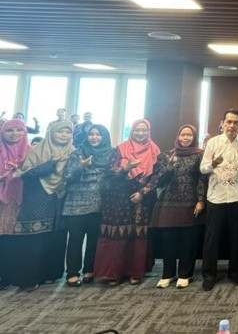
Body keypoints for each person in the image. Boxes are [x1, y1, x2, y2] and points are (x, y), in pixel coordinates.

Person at [2, 121, 75, 290]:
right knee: (34, 236)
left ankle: (50, 274)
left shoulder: (73, 152)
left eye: (67, 132)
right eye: (60, 132)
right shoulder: (37, 151)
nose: (63, 135)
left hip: (60, 197)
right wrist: (50, 164)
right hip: (38, 196)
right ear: (52, 133)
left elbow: (73, 175)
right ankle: (29, 278)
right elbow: (27, 175)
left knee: (56, 236)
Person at [94, 119, 164, 286]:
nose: (140, 133)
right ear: (132, 131)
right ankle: (113, 273)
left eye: (144, 130)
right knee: (118, 233)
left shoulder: (155, 150)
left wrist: (142, 193)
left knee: (137, 234)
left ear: (149, 132)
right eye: (137, 130)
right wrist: (125, 169)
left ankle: (135, 272)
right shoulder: (121, 149)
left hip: (142, 200)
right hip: (118, 199)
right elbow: (109, 171)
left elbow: (158, 177)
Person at [200, 109, 238, 291]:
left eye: (235, 122)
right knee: (212, 239)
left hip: (237, 196)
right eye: (228, 122)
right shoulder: (213, 142)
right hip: (216, 197)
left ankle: (235, 271)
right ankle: (209, 274)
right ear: (222, 123)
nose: (231, 125)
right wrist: (213, 164)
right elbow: (203, 169)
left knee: (236, 237)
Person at [150, 124, 206, 289]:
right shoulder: (168, 155)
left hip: (191, 203)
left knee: (188, 242)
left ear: (194, 137)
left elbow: (202, 179)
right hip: (168, 204)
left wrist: (201, 200)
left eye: (189, 135)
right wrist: (169, 167)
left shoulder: (199, 155)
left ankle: (185, 274)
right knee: (168, 241)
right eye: (183, 134)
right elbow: (159, 182)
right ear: (178, 136)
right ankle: (168, 274)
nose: (185, 138)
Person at [63, 124, 117, 287]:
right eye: (91, 134)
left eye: (98, 134)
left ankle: (89, 269)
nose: (94, 137)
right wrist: (80, 167)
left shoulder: (112, 153)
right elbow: (68, 176)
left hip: (99, 203)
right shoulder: (78, 152)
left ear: (104, 137)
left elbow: (114, 175)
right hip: (76, 204)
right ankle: (72, 273)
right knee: (75, 239)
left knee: (94, 239)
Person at [0, 120, 30, 236]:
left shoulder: (32, 152)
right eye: (9, 130)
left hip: (23, 196)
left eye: (19, 130)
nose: (15, 133)